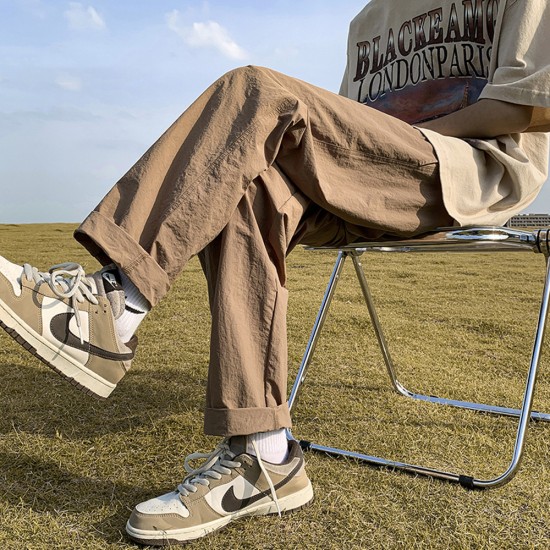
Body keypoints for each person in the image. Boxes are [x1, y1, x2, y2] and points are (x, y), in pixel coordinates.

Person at [1, 0, 548, 545]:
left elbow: (522, 110)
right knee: (246, 190)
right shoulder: (370, 20)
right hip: (370, 183)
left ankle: (114, 306)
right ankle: (265, 455)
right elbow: (346, 137)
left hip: (461, 173)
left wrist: (389, 130)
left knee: (257, 88)